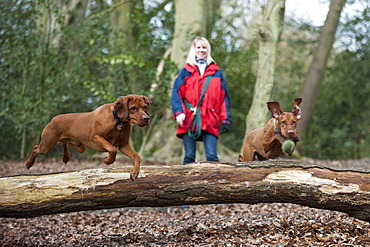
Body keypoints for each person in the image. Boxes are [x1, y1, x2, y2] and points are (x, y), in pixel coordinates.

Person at [171, 37, 231, 164]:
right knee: (189, 157)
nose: (201, 50)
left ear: (208, 50)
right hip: (189, 118)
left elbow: (224, 97)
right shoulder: (186, 71)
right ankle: (186, 183)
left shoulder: (216, 72)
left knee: (212, 157)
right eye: (198, 47)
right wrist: (178, 113)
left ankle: (216, 183)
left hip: (211, 118)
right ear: (194, 50)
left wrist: (225, 119)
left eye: (204, 47)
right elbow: (176, 94)